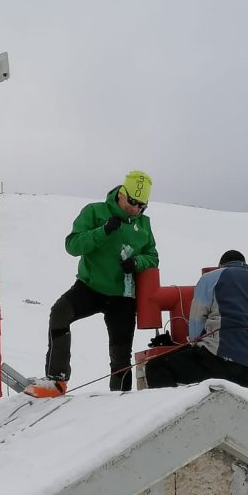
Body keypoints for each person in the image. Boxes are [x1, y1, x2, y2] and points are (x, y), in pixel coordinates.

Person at [25, 170, 159, 397]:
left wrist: (137, 262)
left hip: (123, 296)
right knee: (59, 313)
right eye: (133, 202)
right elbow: (73, 246)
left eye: (141, 206)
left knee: (121, 353)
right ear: (121, 194)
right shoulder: (95, 212)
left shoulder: (143, 224)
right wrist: (104, 231)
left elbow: (153, 257)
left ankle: (120, 398)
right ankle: (57, 381)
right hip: (90, 287)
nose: (135, 209)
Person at [144, 250, 248, 391]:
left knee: (156, 367)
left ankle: (172, 410)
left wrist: (195, 344)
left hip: (216, 359)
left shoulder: (211, 277)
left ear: (221, 265)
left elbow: (196, 320)